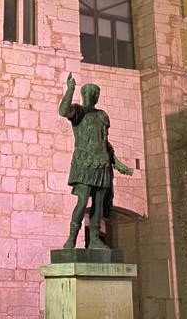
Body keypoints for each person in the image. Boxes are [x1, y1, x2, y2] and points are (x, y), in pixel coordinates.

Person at [58, 72, 134, 249]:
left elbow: (104, 142)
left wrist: (117, 162)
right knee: (83, 200)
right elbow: (63, 111)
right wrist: (70, 89)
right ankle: (71, 238)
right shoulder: (78, 111)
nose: (94, 96)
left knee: (98, 203)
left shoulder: (102, 115)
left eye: (96, 93)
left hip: (102, 163)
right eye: (91, 93)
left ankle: (94, 239)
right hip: (84, 161)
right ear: (84, 95)